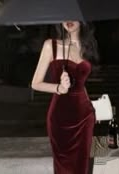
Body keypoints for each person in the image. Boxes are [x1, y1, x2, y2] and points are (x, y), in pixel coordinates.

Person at [31, 21, 99, 174]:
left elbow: (81, 84)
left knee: (82, 167)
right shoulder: (51, 45)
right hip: (60, 118)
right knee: (64, 167)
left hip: (85, 116)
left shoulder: (86, 49)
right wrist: (59, 88)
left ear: (82, 21)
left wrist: (91, 108)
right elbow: (35, 83)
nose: (69, 19)